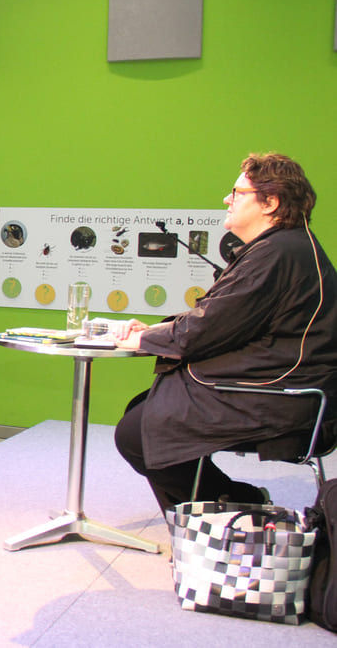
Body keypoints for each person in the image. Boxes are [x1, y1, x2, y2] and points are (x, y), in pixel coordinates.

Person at [113, 153, 337, 513]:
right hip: (281, 387)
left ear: (271, 202)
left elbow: (208, 329)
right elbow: (226, 319)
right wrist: (160, 329)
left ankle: (233, 507)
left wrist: (144, 338)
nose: (227, 199)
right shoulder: (286, 246)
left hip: (280, 396)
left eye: (237, 192)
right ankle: (225, 504)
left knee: (136, 434)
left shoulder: (277, 252)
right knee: (142, 411)